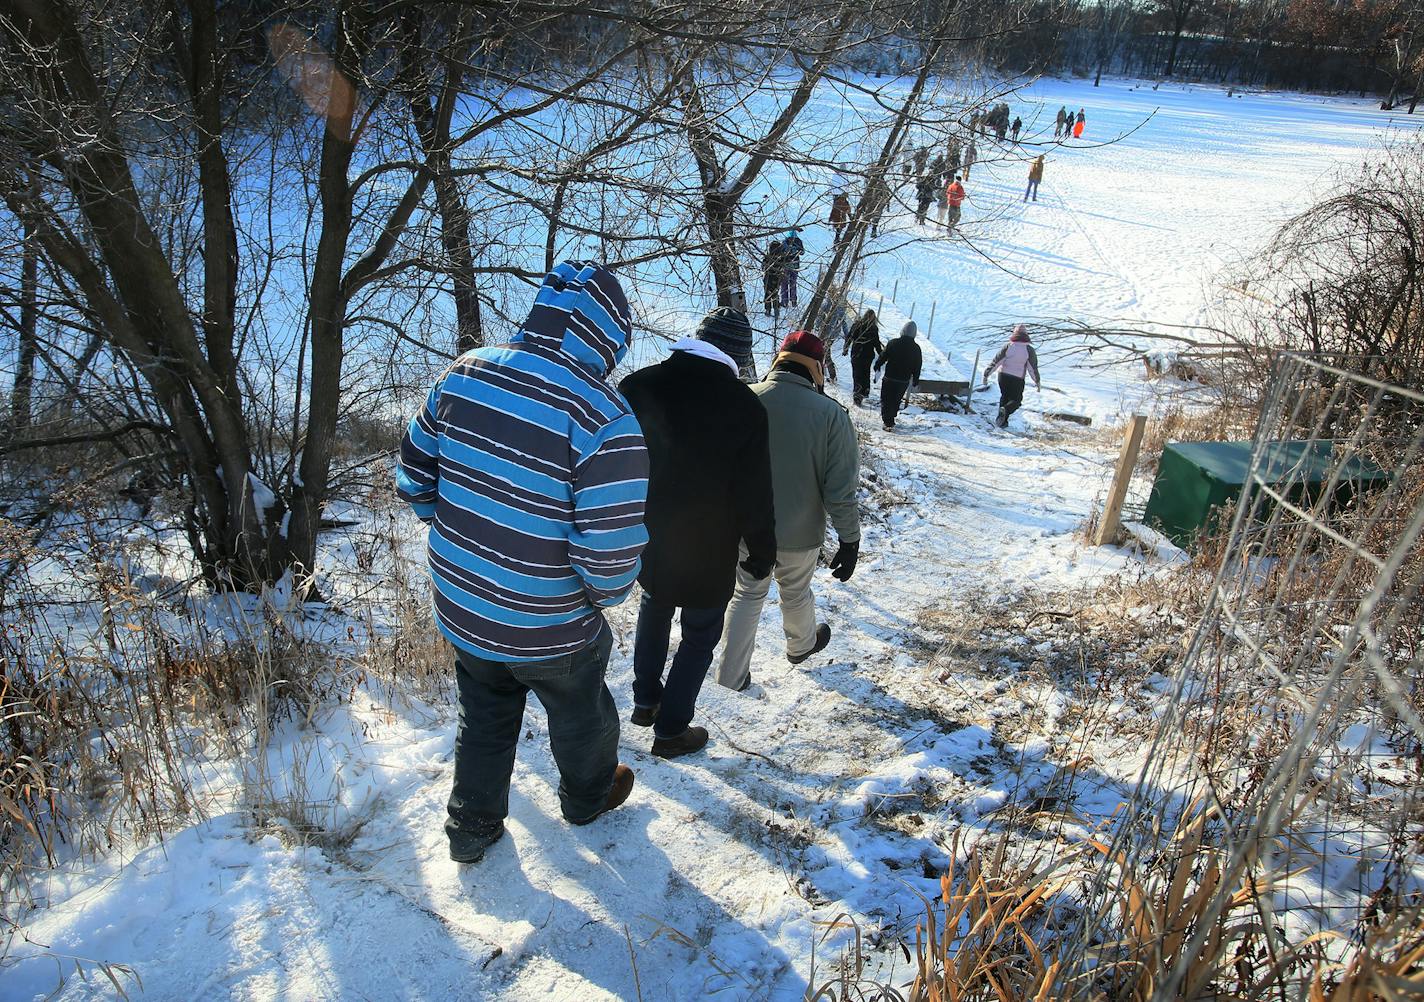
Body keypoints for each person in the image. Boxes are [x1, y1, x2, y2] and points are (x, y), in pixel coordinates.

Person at [396, 261, 648, 864]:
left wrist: (467, 538)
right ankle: (588, 797)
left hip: (465, 604)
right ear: (609, 336)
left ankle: (471, 826)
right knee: (580, 712)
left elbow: (412, 482)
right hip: (552, 622)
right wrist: (595, 597)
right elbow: (609, 557)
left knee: (484, 713)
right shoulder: (604, 417)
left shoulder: (463, 374)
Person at [619, 308, 776, 759]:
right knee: (701, 632)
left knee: (654, 604)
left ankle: (646, 700)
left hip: (649, 533)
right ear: (739, 355)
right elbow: (755, 491)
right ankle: (671, 729)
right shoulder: (745, 406)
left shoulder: (638, 386)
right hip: (711, 543)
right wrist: (762, 550)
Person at [715, 330, 860, 693]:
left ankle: (730, 677)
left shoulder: (744, 397)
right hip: (800, 530)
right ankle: (800, 646)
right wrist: (849, 539)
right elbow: (839, 489)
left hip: (747, 526)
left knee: (747, 594)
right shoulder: (831, 415)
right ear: (817, 368)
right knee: (795, 591)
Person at [983, 323, 1042, 428]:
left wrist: (986, 374)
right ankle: (1005, 412)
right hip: (1017, 379)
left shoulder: (1008, 346)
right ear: (1026, 335)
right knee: (1016, 401)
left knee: (1004, 397)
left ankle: (1001, 422)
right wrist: (1037, 381)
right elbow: (1032, 368)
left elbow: (996, 362)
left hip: (1003, 376)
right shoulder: (1029, 349)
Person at [874, 321, 923, 431]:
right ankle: (891, 418)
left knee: (886, 399)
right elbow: (917, 365)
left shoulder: (893, 343)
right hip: (903, 380)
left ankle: (887, 421)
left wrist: (877, 365)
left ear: (903, 331)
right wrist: (915, 379)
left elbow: (883, 356)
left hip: (890, 377)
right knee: (896, 399)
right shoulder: (916, 348)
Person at [842, 308, 883, 406]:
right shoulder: (873, 328)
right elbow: (876, 343)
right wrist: (881, 354)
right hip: (868, 356)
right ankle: (865, 390)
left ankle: (858, 393)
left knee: (857, 374)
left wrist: (846, 348)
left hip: (857, 354)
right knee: (865, 373)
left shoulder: (857, 325)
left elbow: (849, 337)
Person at [780, 228, 805, 307]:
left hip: (786, 265)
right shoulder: (799, 241)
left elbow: (781, 253)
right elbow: (802, 252)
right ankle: (793, 301)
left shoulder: (784, 242)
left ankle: (784, 301)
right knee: (793, 283)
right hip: (795, 265)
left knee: (784, 283)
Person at [762, 239, 784, 317]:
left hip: (768, 277)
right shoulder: (781, 257)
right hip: (777, 277)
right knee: (775, 293)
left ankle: (768, 309)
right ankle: (776, 309)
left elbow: (763, 266)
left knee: (768, 293)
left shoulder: (768, 256)